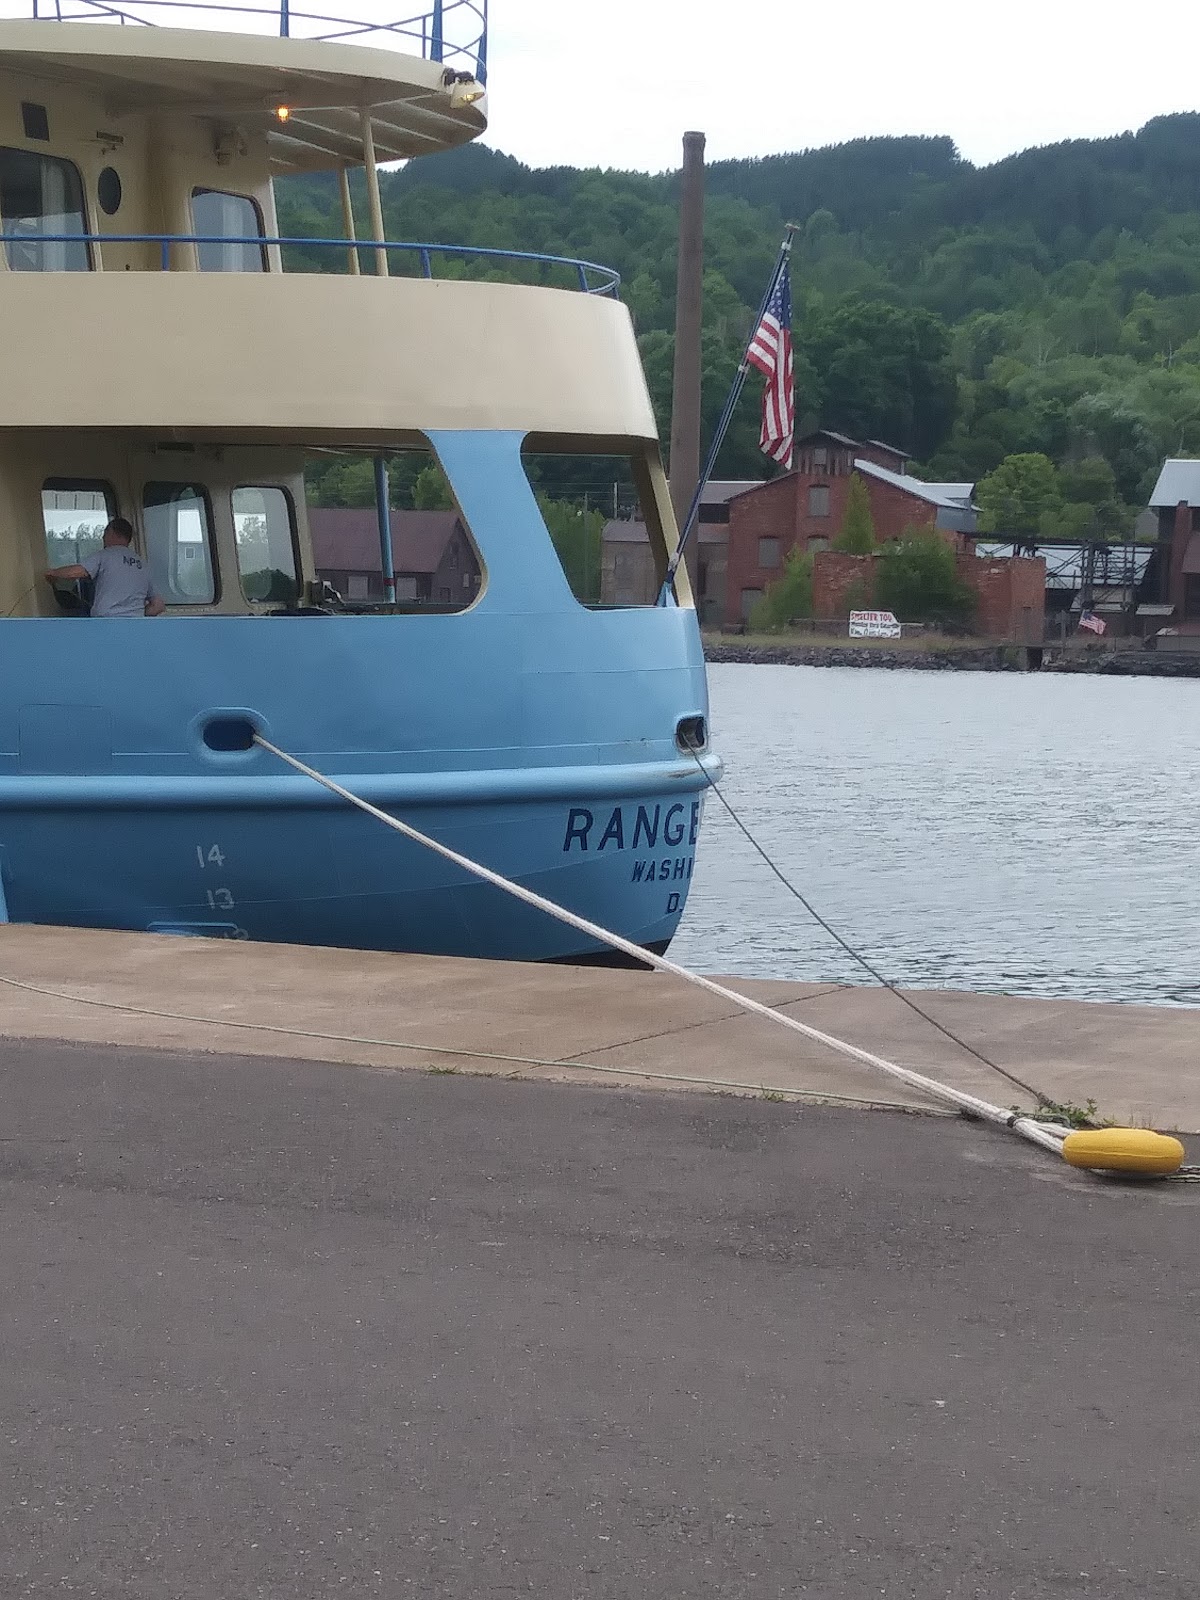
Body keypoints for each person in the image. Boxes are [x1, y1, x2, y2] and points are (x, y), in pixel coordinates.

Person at [45, 517, 165, 618]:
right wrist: (133, 614)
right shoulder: (143, 565)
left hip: (105, 624)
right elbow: (158, 606)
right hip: (135, 627)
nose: (103, 538)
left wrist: (53, 573)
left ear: (111, 532)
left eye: (104, 533)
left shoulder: (105, 555)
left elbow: (75, 573)